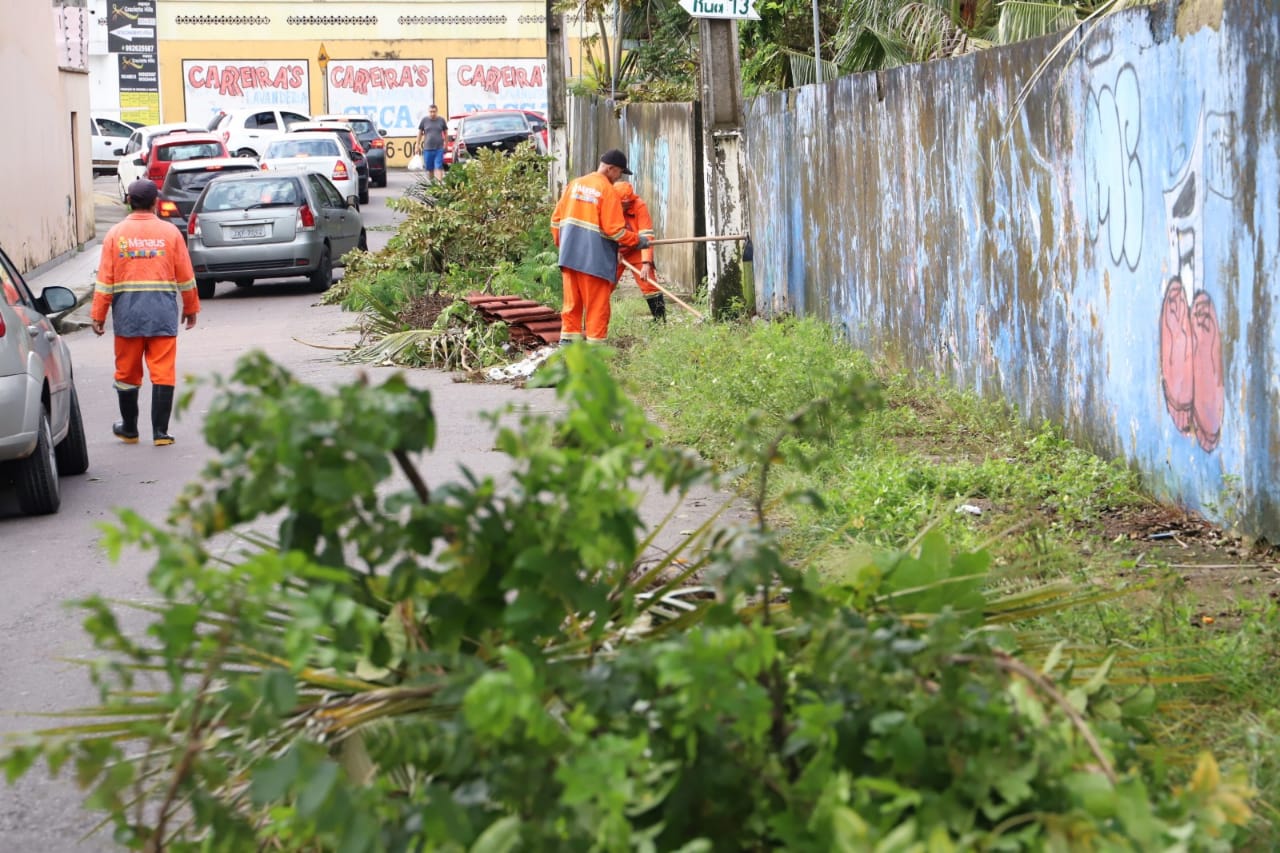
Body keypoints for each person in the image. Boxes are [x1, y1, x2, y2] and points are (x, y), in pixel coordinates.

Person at [91, 179, 200, 446]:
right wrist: (191, 307)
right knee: (163, 371)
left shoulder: (115, 234)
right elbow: (185, 275)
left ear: (128, 201)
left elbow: (105, 279)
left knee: (127, 373)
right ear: (155, 203)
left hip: (127, 314)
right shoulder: (171, 233)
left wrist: (98, 314)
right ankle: (160, 433)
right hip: (162, 312)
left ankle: (129, 428)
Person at [550, 149, 649, 343]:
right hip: (593, 262)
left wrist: (563, 246)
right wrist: (637, 241)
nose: (619, 177)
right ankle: (596, 354)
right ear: (611, 169)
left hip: (569, 259)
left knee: (572, 305)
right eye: (620, 172)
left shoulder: (575, 184)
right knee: (597, 307)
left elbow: (555, 221)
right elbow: (615, 230)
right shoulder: (607, 191)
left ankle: (568, 349)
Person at [614, 181, 664, 321]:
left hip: (636, 249)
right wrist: (612, 249)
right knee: (604, 286)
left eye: (628, 203)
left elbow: (646, 234)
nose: (626, 206)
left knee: (649, 283)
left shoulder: (639, 205)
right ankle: (592, 323)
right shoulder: (606, 205)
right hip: (613, 251)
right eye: (622, 204)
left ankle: (660, 321)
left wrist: (646, 262)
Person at [416, 104, 449, 182]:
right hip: (427, 149)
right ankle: (432, 185)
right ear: (428, 112)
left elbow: (446, 133)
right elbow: (420, 133)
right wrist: (417, 145)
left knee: (438, 166)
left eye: (434, 112)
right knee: (430, 168)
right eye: (431, 112)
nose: (432, 113)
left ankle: (439, 186)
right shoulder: (424, 120)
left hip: (439, 148)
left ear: (437, 111)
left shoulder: (441, 120)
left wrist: (446, 144)